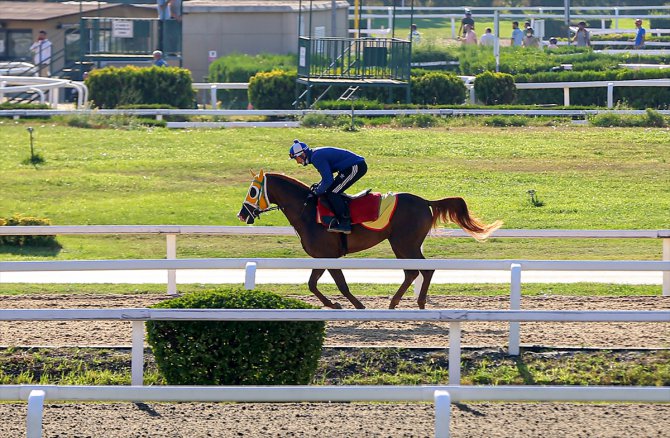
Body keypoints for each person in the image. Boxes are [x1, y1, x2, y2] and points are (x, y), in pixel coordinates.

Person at [289, 140, 367, 234]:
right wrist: (319, 187)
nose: (297, 162)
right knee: (332, 191)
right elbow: (327, 178)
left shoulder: (316, 157)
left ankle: (345, 223)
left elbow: (328, 180)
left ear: (302, 154)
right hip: (350, 167)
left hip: (355, 167)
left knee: (333, 193)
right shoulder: (315, 155)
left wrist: (316, 192)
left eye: (296, 158)